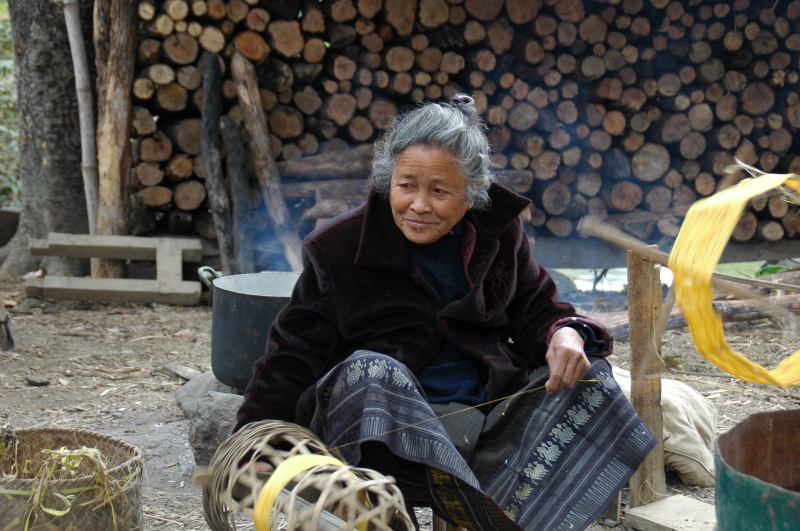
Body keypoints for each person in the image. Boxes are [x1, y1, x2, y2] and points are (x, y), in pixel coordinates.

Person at [235, 94, 657, 530]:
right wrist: (258, 442)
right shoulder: (338, 247)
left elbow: (539, 309)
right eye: (406, 186)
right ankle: (391, 512)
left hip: (483, 422)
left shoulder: (498, 234)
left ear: (472, 194)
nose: (419, 204)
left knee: (589, 376)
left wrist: (564, 333)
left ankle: (482, 514)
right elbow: (290, 355)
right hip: (382, 431)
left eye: (439, 191)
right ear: (388, 180)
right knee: (369, 371)